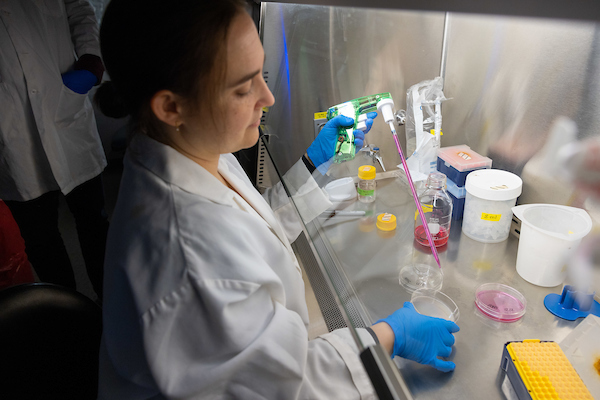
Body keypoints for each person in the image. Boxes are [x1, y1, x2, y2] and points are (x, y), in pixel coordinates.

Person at [96, 0, 459, 398]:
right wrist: (390, 336)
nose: (267, 97)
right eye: (243, 87)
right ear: (171, 106)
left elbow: (249, 219)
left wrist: (313, 161)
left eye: (260, 74)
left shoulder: (189, 151)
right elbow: (283, 387)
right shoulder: (188, 260)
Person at [0, 0, 108, 299]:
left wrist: (91, 60)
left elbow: (80, 11)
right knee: (40, 238)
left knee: (94, 223)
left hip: (63, 105)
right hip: (11, 129)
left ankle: (112, 308)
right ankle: (66, 319)